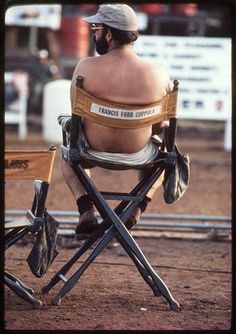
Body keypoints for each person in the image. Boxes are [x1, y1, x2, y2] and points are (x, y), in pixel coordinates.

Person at [60, 4, 171, 239]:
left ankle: (86, 210)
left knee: (67, 152)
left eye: (96, 28)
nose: (93, 33)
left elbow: (77, 115)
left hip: (90, 153)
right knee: (166, 153)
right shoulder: (158, 74)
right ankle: (135, 209)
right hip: (139, 153)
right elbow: (161, 126)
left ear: (109, 34)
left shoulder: (85, 68)